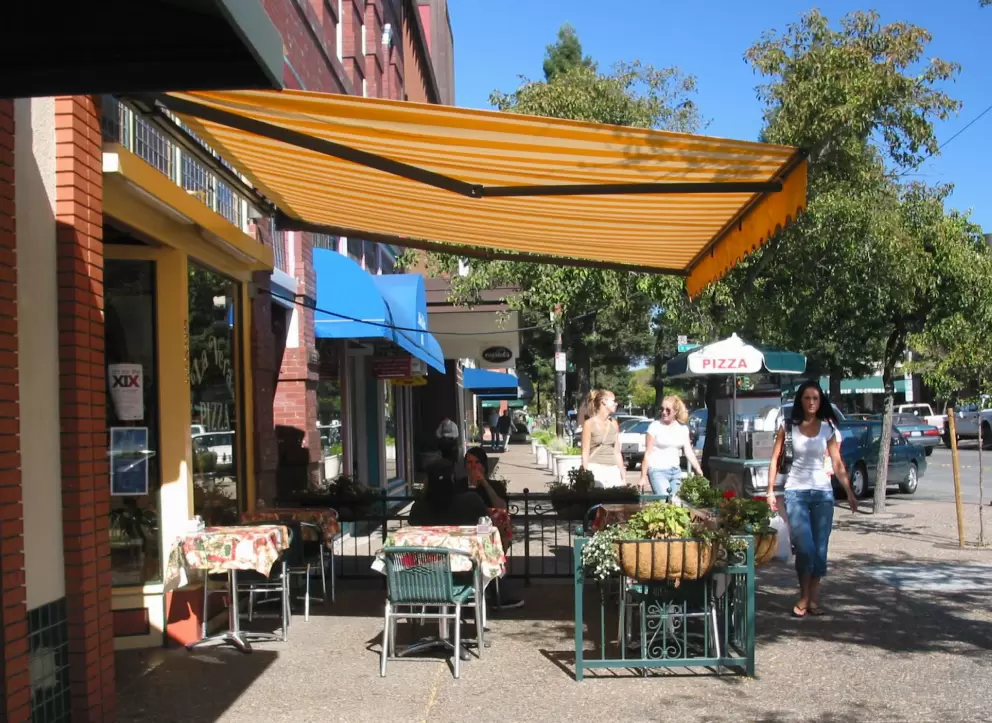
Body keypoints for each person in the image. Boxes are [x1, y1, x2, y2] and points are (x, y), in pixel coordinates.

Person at [767, 380, 858, 618]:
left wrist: (848, 491)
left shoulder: (827, 428)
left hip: (822, 493)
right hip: (796, 491)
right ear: (800, 400)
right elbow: (775, 458)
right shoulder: (788, 427)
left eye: (815, 399)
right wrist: (769, 491)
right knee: (805, 548)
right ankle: (805, 595)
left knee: (820, 548)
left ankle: (811, 597)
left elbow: (837, 462)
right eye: (807, 398)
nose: (811, 403)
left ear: (821, 402)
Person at [461, 446, 524, 610]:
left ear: (484, 465)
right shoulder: (459, 485)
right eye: (469, 463)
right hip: (463, 533)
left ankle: (498, 595)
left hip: (488, 534)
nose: (473, 466)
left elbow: (502, 507)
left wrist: (484, 483)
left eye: (477, 462)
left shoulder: (495, 485)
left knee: (493, 551)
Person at [639, 395, 703, 498]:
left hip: (675, 471)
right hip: (657, 470)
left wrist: (698, 469)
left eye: (668, 410)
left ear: (675, 412)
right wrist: (643, 476)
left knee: (676, 503)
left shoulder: (682, 429)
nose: (664, 412)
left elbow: (688, 451)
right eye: (662, 409)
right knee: (664, 500)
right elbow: (647, 453)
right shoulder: (654, 426)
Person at [409, 460, 489, 526]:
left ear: (428, 482)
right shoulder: (473, 501)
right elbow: (486, 523)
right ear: (452, 479)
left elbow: (412, 524)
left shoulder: (419, 508)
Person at [580, 389, 626, 488]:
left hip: (613, 469)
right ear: (604, 401)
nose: (616, 404)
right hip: (596, 469)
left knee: (614, 502)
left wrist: (623, 476)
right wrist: (584, 474)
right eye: (613, 401)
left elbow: (617, 452)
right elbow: (585, 451)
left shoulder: (614, 423)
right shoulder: (589, 424)